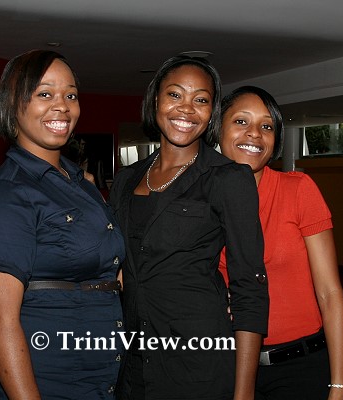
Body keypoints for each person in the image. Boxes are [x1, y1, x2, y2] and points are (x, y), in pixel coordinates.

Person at [108, 54, 269, 399]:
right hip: (131, 362)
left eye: (201, 100)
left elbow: (250, 290)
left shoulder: (228, 178)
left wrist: (243, 392)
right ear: (155, 100)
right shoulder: (125, 180)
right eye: (175, 95)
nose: (186, 109)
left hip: (199, 363)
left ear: (211, 112)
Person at [0, 50, 125, 399]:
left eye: (71, 95)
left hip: (97, 376)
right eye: (45, 94)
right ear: (13, 103)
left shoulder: (81, 182)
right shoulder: (6, 193)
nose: (62, 106)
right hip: (46, 377)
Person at [218, 86, 343, 400]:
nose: (254, 133)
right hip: (226, 363)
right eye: (241, 121)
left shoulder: (298, 190)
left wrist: (341, 385)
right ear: (217, 131)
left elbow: (330, 293)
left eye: (266, 126)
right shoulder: (199, 201)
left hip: (299, 368)